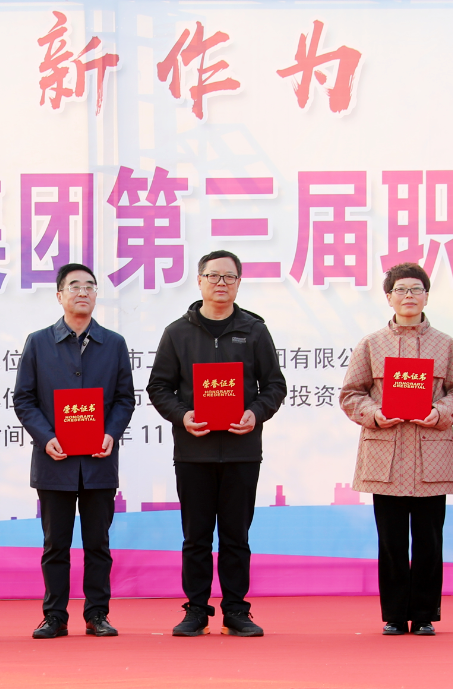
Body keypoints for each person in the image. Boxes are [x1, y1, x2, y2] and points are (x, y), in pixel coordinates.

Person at [147, 250, 286, 638]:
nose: (221, 283)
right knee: (196, 537)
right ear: (199, 281)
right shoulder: (177, 332)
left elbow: (274, 385)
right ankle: (195, 609)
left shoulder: (254, 330)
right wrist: (183, 416)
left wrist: (255, 413)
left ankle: (236, 610)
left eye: (229, 277)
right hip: (194, 452)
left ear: (239, 283)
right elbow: (159, 387)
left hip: (242, 451)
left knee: (236, 536)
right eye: (213, 276)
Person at [339, 262, 453, 636]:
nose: (408, 296)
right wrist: (375, 413)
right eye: (400, 290)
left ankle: (425, 613)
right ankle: (395, 615)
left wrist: (440, 412)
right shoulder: (371, 344)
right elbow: (350, 394)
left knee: (430, 541)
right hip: (386, 454)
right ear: (389, 297)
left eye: (416, 289)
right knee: (392, 541)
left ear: (427, 296)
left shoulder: (446, 345)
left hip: (431, 455)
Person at [13, 264, 136, 639]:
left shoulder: (113, 343)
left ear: (97, 295)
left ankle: (97, 613)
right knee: (56, 545)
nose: (83, 292)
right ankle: (55, 615)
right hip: (55, 461)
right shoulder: (38, 342)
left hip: (99, 462)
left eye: (90, 286)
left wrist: (111, 433)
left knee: (98, 544)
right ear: (59, 295)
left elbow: (124, 399)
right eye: (74, 286)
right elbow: (24, 399)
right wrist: (45, 436)